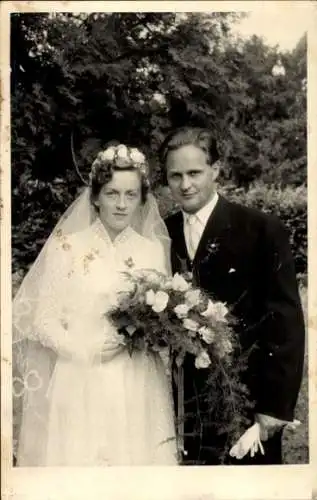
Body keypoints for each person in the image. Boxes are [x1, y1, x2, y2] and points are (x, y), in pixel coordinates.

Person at [12, 144, 177, 466]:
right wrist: (84, 348)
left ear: (142, 199)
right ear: (96, 196)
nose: (121, 204)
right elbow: (42, 320)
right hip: (78, 374)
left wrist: (140, 335)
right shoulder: (68, 247)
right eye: (112, 193)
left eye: (131, 195)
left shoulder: (151, 250)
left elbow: (160, 321)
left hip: (134, 376)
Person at [161, 127, 305, 465]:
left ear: (216, 170)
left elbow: (285, 322)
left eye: (195, 172)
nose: (186, 184)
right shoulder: (162, 233)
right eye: (175, 175)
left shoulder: (261, 229)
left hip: (247, 401)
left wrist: (274, 408)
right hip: (183, 406)